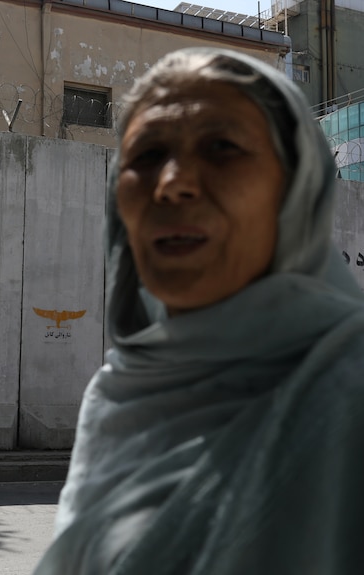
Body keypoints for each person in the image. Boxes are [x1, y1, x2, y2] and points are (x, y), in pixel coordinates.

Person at [34, 47, 364, 574]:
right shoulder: (121, 396)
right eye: (145, 156)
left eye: (221, 147)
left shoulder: (347, 393)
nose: (171, 184)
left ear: (295, 189)